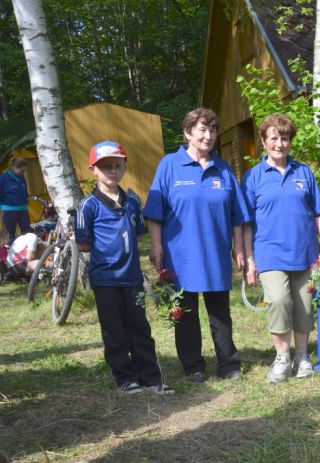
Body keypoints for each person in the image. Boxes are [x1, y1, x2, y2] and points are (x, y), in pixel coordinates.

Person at [143, 108, 249, 384]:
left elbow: (237, 215)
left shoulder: (223, 168)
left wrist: (239, 248)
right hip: (180, 256)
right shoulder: (169, 165)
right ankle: (193, 366)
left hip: (216, 253)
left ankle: (228, 364)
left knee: (220, 312)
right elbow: (155, 211)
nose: (208, 135)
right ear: (188, 133)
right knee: (185, 312)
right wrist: (156, 246)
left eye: (212, 130)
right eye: (202, 129)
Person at [75, 141, 173, 395]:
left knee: (140, 327)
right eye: (105, 166)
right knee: (115, 330)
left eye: (117, 165)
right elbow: (83, 244)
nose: (112, 171)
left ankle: (150, 377)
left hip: (132, 278)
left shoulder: (131, 201)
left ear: (124, 166)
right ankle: (125, 378)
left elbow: (138, 233)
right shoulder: (89, 206)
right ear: (93, 170)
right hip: (105, 280)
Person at [241, 113, 320, 384]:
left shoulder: (303, 172)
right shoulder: (252, 177)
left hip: (305, 252)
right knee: (279, 301)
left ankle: (302, 356)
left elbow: (319, 213)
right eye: (274, 138)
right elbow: (245, 222)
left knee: (304, 307)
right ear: (263, 141)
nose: (279, 143)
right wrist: (248, 259)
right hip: (269, 253)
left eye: (284, 138)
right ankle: (282, 356)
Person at [0, 158, 32, 243]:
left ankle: (26, 254)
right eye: (22, 170)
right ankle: (9, 255)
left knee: (28, 234)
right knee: (10, 236)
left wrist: (26, 201)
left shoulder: (22, 178)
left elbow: (24, 191)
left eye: (24, 171)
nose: (23, 173)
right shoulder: (3, 178)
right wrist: (1, 209)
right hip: (9, 211)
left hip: (23, 210)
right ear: (14, 167)